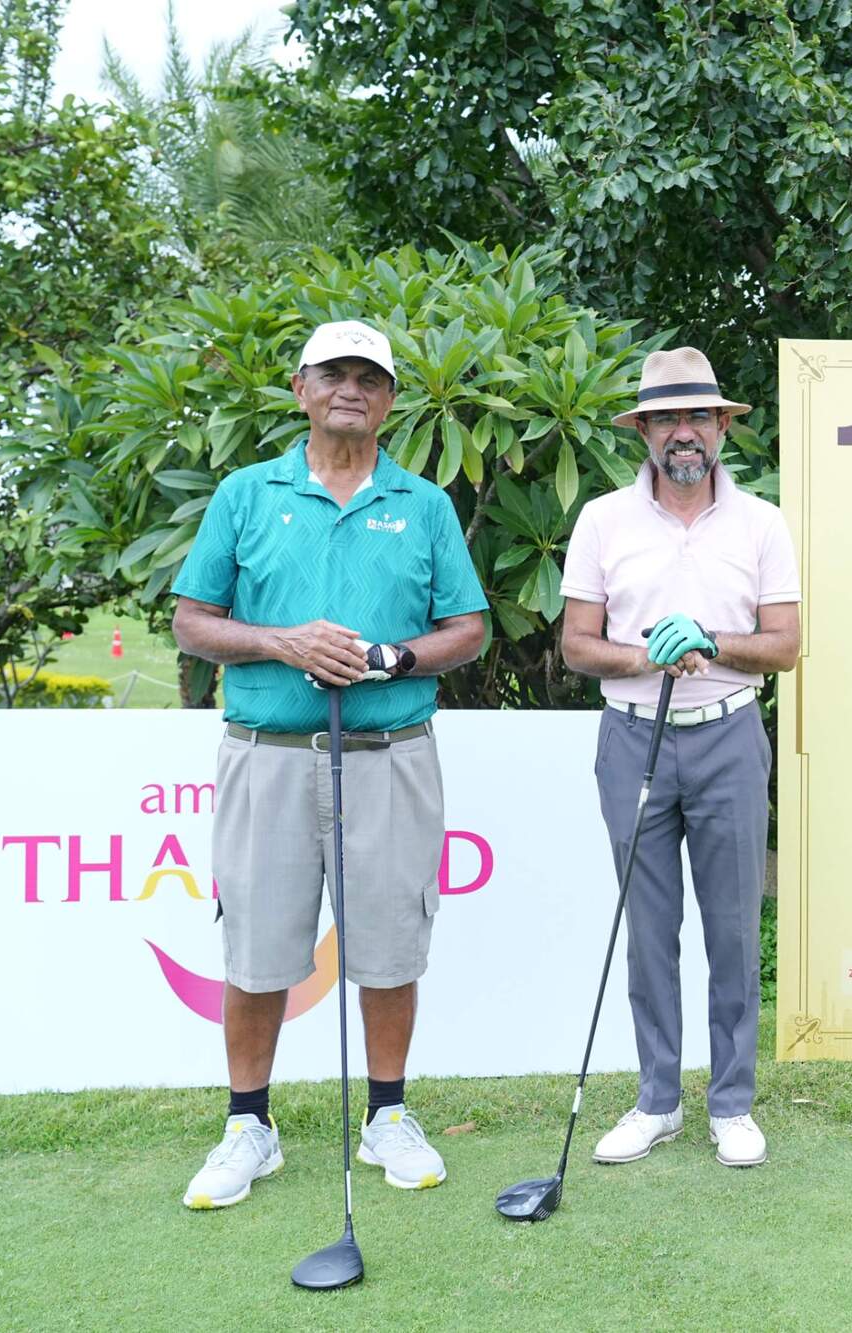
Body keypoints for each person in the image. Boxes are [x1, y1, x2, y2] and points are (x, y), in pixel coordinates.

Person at [171, 319, 488, 1208]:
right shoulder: (245, 492)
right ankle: (249, 1125)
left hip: (389, 755)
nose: (351, 389)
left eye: (369, 378)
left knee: (388, 945)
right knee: (257, 945)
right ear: (302, 389)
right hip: (269, 755)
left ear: (390, 401)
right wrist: (283, 641)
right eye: (333, 374)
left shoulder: (423, 504)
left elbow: (467, 629)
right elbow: (192, 620)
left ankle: (387, 1115)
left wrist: (395, 658)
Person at [560, 345, 800, 1168]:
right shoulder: (603, 519)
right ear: (645, 432)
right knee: (649, 929)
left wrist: (711, 641)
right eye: (666, 418)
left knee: (731, 929)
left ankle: (731, 1103)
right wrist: (644, 657)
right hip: (634, 738)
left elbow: (785, 644)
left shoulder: (761, 522)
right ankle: (657, 1100)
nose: (684, 431)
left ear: (723, 427)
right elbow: (577, 643)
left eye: (699, 415)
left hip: (730, 735)